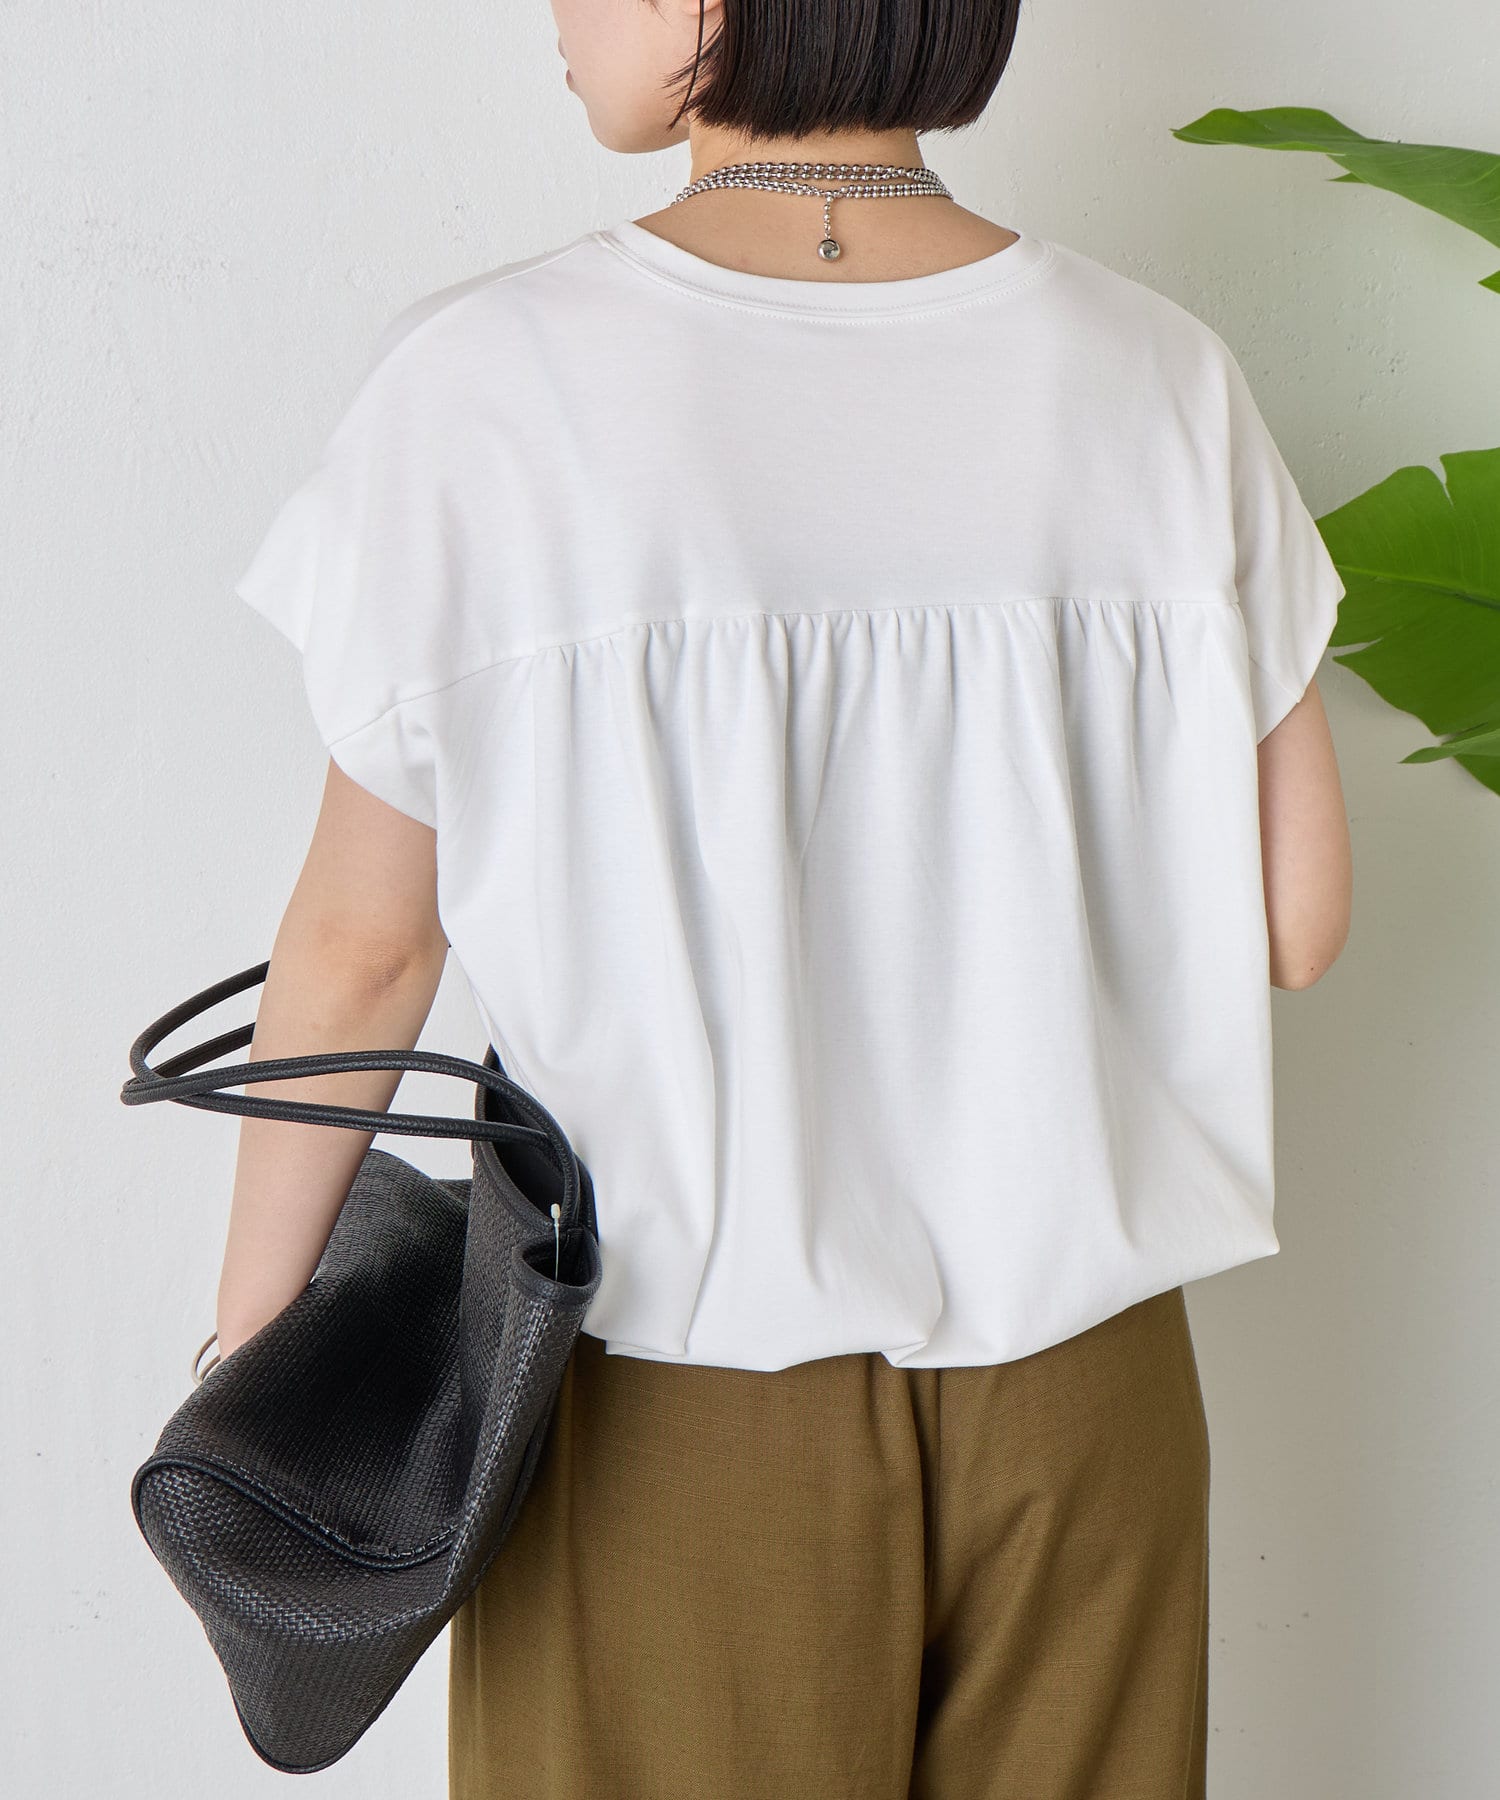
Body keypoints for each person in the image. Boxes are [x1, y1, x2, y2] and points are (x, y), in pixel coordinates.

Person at [217, 0, 1353, 1794]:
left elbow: (366, 952)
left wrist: (252, 1369)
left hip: (670, 1410)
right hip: (1095, 1409)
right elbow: (1295, 921)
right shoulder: (1162, 379)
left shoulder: (485, 388)